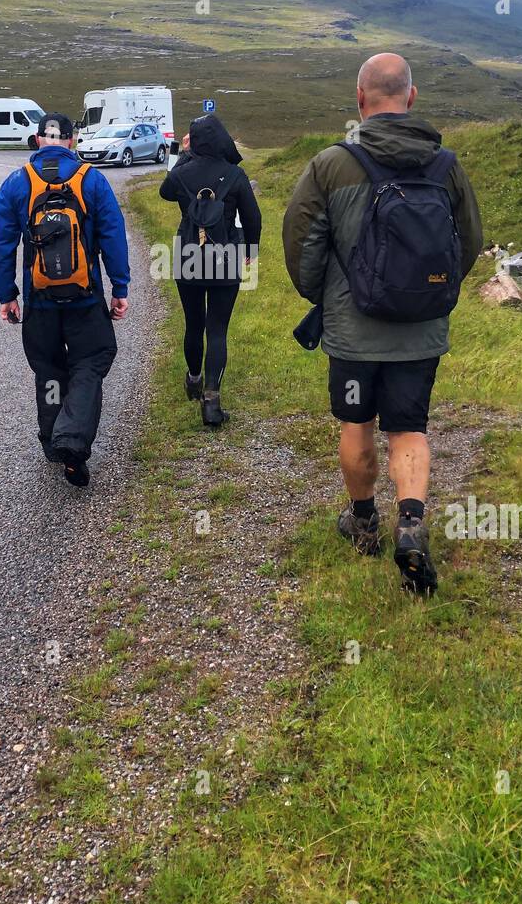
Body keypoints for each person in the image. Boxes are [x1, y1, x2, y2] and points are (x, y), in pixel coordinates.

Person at [282, 53, 482, 595]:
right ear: (411, 97)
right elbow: (470, 244)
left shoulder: (330, 165)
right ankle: (412, 524)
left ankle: (365, 523)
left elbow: (303, 248)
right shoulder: (446, 166)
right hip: (420, 333)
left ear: (360, 98)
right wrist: (432, 293)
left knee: (357, 424)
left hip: (352, 331)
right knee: (409, 429)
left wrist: (323, 294)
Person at [0, 113, 130, 487]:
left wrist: (8, 296)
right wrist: (120, 288)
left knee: (50, 368)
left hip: (40, 301)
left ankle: (53, 441)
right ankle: (73, 439)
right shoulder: (92, 181)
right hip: (84, 299)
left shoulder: (17, 183)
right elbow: (114, 237)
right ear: (71, 141)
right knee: (90, 362)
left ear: (38, 141)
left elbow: (2, 245)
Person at [159, 113, 261, 428]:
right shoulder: (236, 174)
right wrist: (250, 250)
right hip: (225, 256)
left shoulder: (182, 173)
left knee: (194, 324)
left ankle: (193, 377)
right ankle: (212, 400)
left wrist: (184, 155)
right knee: (216, 330)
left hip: (189, 255)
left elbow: (165, 191)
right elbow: (253, 217)